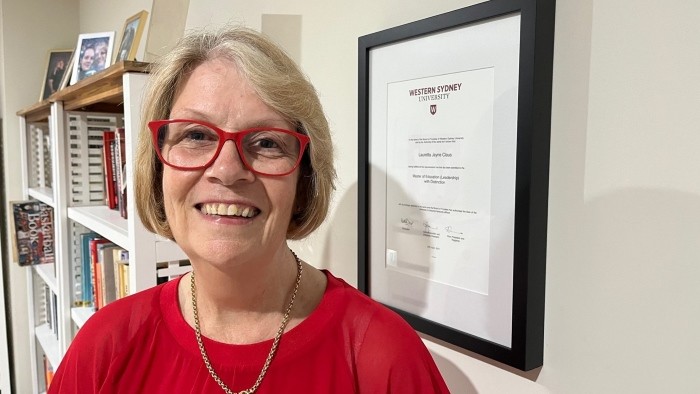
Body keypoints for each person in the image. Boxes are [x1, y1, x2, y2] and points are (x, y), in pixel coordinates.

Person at [49, 26, 450, 393]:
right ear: (158, 167)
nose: (227, 170)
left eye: (267, 142)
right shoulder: (105, 347)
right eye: (196, 135)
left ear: (304, 178)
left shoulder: (383, 357)